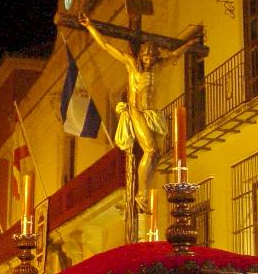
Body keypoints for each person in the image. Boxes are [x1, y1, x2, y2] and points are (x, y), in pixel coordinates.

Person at [77, 11, 200, 216]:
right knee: (150, 150)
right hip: (136, 111)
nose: (149, 59)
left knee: (157, 154)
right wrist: (90, 27)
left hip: (150, 113)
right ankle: (141, 193)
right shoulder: (131, 65)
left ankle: (145, 188)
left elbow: (174, 54)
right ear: (141, 55)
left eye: (152, 56)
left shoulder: (158, 66)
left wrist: (189, 44)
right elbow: (106, 47)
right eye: (146, 55)